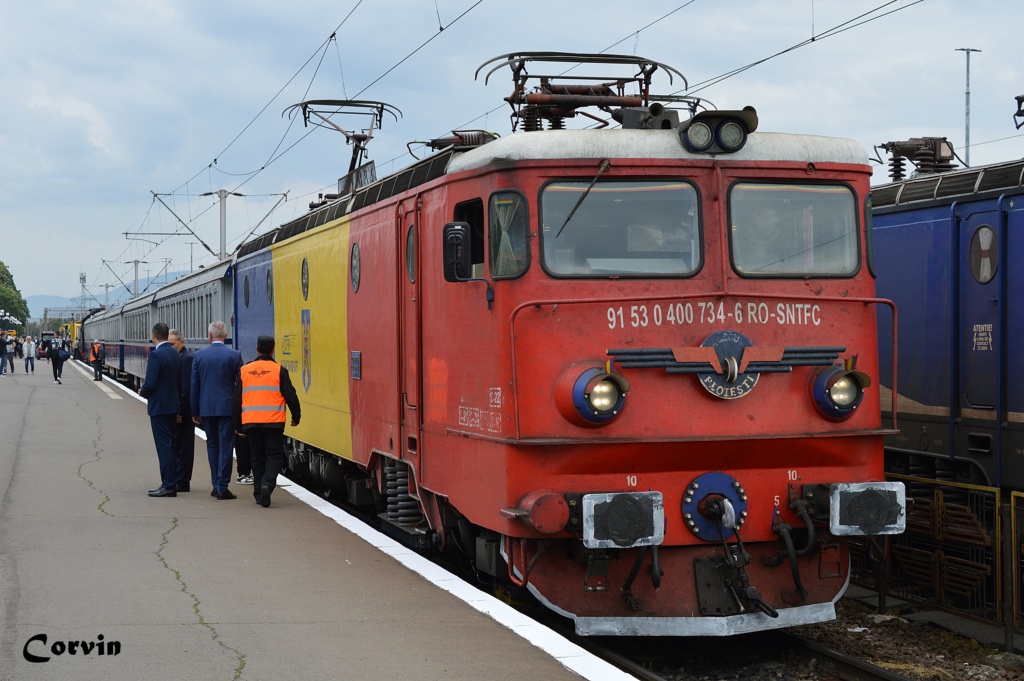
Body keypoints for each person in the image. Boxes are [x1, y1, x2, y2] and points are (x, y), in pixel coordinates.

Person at [234, 335, 300, 508]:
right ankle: (267, 484)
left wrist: (237, 425)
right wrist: (296, 416)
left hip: (251, 421)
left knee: (256, 457)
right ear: (272, 350)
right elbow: (291, 396)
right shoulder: (279, 370)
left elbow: (236, 400)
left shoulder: (245, 370)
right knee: (274, 456)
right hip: (273, 422)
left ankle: (258, 493)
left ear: (257, 349)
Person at [191, 320, 243, 500]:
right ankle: (222, 485)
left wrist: (194, 410)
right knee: (226, 446)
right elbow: (241, 386)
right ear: (226, 336)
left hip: (206, 408)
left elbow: (194, 386)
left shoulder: (199, 356)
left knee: (212, 445)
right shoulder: (235, 356)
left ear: (210, 336)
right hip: (227, 409)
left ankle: (216, 484)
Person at [139, 322, 181, 497]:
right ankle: (171, 482)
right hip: (172, 405)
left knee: (163, 447)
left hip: (160, 408)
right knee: (170, 446)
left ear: (153, 335)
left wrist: (143, 392)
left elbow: (151, 382)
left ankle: (168, 485)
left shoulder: (156, 355)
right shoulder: (174, 353)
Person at [168, 330, 195, 492]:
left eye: (173, 344)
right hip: (179, 409)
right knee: (177, 445)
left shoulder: (187, 359)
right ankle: (179, 478)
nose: (171, 347)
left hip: (184, 412)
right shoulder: (178, 357)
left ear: (182, 342)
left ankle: (183, 481)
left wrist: (179, 411)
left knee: (184, 446)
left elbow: (185, 389)